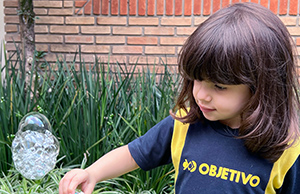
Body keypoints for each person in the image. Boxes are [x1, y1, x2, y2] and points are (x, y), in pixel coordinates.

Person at [59, 2, 300, 194]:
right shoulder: (184, 125)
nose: (201, 95)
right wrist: (92, 173)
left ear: (261, 87)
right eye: (197, 80)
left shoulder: (287, 148)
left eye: (219, 86)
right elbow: (134, 152)